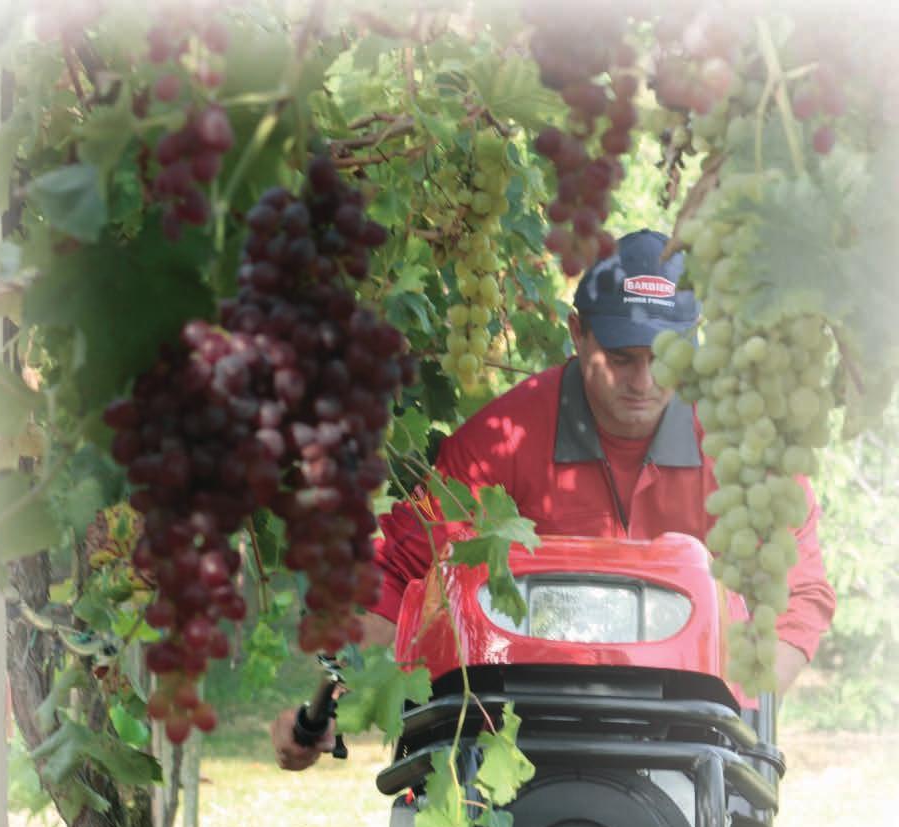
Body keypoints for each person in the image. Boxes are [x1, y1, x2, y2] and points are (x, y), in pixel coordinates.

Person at [271, 228, 836, 770]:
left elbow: (800, 595)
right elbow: (396, 579)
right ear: (577, 333)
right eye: (621, 358)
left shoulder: (748, 451)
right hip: (516, 741)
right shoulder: (500, 442)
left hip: (688, 742)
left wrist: (739, 709)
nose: (644, 381)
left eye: (666, 358)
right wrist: (330, 700)